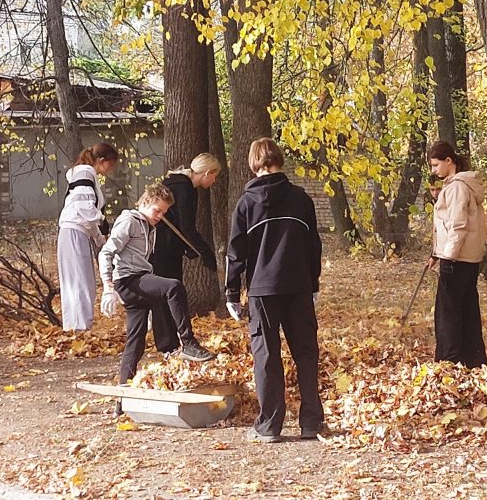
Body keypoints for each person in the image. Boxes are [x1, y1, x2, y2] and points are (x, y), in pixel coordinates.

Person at [224, 138, 324, 443]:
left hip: (262, 290)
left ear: (255, 164)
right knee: (306, 353)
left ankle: (269, 426)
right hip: (298, 286)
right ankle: (311, 422)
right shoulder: (301, 199)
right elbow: (313, 246)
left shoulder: (246, 204)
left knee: (266, 355)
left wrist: (231, 293)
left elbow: (235, 253)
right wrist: (314, 282)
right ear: (279, 160)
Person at [98, 183, 215, 386]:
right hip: (128, 281)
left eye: (164, 212)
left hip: (139, 280)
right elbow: (106, 252)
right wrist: (107, 287)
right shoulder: (129, 221)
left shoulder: (149, 226)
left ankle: (122, 397)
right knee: (173, 287)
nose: (160, 216)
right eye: (157, 210)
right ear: (145, 202)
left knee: (136, 343)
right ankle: (188, 343)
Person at [148, 153, 222, 356]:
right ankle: (168, 345)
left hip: (165, 247)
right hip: (163, 249)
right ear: (207, 173)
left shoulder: (175, 182)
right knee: (168, 294)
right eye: (214, 176)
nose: (214, 181)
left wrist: (188, 247)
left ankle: (172, 343)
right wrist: (205, 253)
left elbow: (179, 222)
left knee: (168, 293)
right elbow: (187, 227)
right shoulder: (185, 188)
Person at [426, 140, 487, 368]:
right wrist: (436, 253)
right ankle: (472, 360)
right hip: (466, 257)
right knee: (466, 308)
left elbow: (458, 226)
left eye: (435, 165)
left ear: (448, 161)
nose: (434, 171)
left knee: (447, 314)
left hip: (457, 258)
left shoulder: (457, 188)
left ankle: (449, 362)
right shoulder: (462, 185)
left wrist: (447, 257)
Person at [57, 142, 118, 331]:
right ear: (102, 160)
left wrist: (100, 239)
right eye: (111, 163)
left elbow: (86, 214)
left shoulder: (85, 175)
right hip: (74, 232)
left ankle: (77, 326)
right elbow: (84, 209)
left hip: (76, 232)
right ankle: (80, 327)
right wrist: (102, 220)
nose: (112, 168)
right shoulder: (85, 173)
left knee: (79, 280)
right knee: (80, 281)